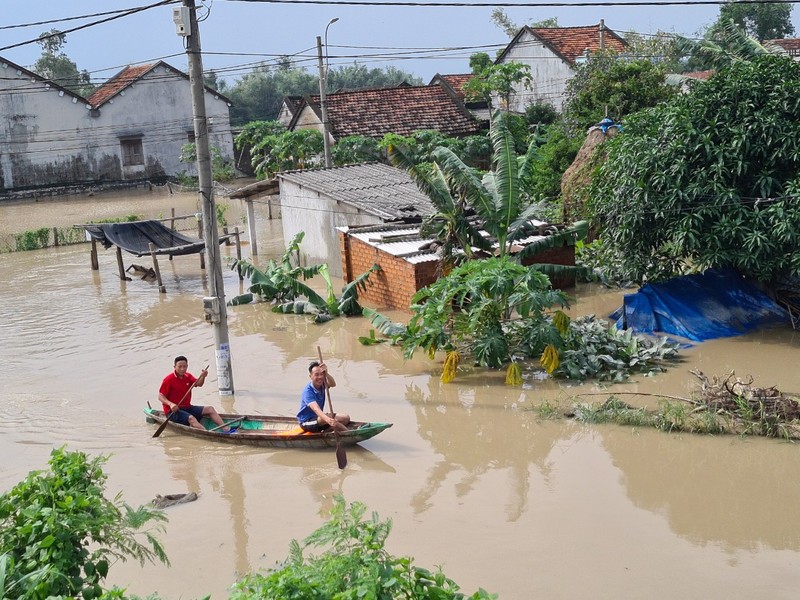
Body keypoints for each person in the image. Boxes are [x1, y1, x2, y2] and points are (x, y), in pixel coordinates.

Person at [159, 356, 236, 433]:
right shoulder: (168, 379)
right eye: (179, 366)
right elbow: (160, 396)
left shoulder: (188, 376)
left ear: (187, 366)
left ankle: (226, 429)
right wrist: (171, 404)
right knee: (191, 418)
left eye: (184, 366)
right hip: (173, 411)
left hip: (187, 407)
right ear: (174, 367)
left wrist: (203, 376)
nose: (182, 369)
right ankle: (208, 433)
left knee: (210, 409)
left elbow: (199, 384)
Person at [298, 360, 350, 433]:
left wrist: (326, 374)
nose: (320, 377)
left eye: (321, 374)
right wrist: (328, 420)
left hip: (319, 419)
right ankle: (349, 433)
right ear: (311, 376)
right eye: (316, 374)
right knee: (334, 421)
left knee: (345, 418)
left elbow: (332, 384)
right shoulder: (308, 392)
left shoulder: (322, 385)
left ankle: (325, 433)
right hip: (307, 422)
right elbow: (316, 409)